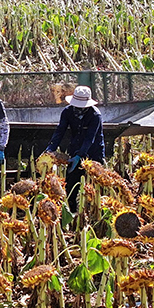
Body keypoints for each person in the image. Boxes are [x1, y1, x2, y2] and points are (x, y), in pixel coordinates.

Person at [44, 85, 104, 213]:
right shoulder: (67, 112)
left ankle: (93, 212)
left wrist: (80, 156)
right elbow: (60, 131)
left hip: (94, 151)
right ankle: (71, 212)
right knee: (71, 184)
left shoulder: (95, 115)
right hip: (75, 147)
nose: (79, 109)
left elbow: (90, 138)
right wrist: (50, 148)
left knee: (95, 186)